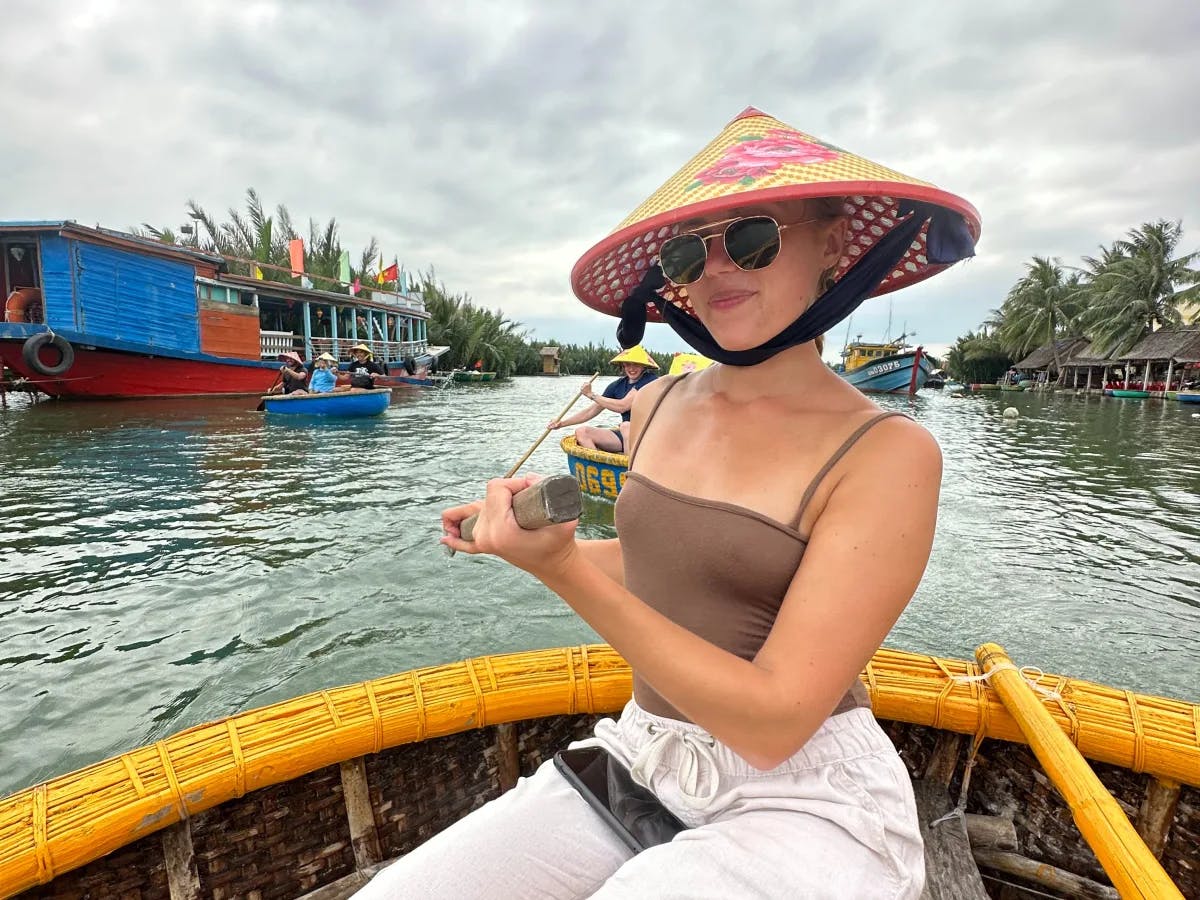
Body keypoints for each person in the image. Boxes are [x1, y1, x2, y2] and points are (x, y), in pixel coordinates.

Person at [358, 107, 978, 898]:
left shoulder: (888, 452)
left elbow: (774, 721)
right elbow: (661, 564)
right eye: (690, 251)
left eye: (754, 235)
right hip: (646, 753)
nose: (718, 268)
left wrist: (562, 576)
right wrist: (523, 541)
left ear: (832, 243)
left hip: (805, 792)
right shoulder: (658, 404)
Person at [547, 347, 659, 452]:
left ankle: (629, 469)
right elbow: (591, 411)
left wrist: (592, 395)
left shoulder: (650, 380)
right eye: (628, 364)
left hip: (648, 436)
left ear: (644, 367)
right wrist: (562, 423)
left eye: (636, 365)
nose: (631, 369)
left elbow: (623, 406)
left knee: (626, 426)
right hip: (626, 436)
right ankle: (596, 467)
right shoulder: (617, 385)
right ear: (623, 365)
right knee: (582, 432)